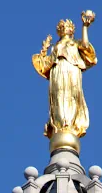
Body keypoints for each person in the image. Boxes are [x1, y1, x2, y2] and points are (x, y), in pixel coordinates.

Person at [32, 10, 97, 139]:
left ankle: (70, 124)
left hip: (72, 69)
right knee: (59, 97)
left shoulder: (75, 43)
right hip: (58, 71)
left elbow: (85, 45)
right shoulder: (56, 46)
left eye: (66, 27)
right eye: (61, 27)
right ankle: (60, 124)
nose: (63, 29)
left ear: (72, 30)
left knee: (72, 95)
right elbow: (46, 64)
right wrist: (44, 50)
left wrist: (85, 27)